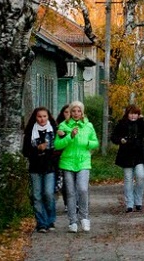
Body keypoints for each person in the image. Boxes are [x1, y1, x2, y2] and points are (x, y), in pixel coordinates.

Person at [54, 100, 99, 233]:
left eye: (79, 111)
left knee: (83, 189)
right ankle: (72, 221)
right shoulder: (64, 126)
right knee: (70, 192)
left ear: (82, 112)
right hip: (67, 162)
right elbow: (57, 145)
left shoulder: (88, 125)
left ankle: (84, 217)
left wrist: (86, 142)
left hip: (83, 161)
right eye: (73, 111)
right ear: (70, 113)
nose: (76, 113)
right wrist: (70, 136)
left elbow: (95, 142)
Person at [111, 104, 144, 213]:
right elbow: (113, 137)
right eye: (131, 113)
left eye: (135, 114)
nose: (133, 116)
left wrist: (141, 121)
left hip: (139, 155)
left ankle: (138, 201)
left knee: (141, 177)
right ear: (127, 114)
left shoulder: (140, 123)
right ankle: (129, 204)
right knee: (128, 179)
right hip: (126, 155)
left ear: (138, 114)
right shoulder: (122, 124)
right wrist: (120, 140)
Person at [23, 107, 58, 232]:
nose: (42, 119)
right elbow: (25, 151)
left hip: (49, 167)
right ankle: (41, 223)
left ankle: (50, 220)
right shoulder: (30, 132)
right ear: (35, 117)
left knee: (48, 193)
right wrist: (37, 149)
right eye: (39, 116)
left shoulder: (54, 130)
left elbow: (59, 148)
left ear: (48, 117)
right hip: (35, 167)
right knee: (37, 195)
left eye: (44, 116)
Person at [55, 104, 71, 208]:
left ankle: (75, 203)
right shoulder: (58, 126)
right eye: (66, 112)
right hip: (62, 158)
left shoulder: (80, 125)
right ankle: (67, 203)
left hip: (76, 158)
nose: (68, 114)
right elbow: (56, 144)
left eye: (70, 112)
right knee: (65, 182)